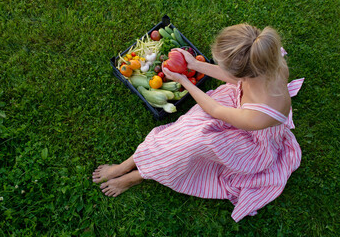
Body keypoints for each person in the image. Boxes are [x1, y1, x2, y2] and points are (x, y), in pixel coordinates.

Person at [92, 23, 304, 222]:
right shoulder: (265, 61)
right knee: (182, 129)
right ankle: (130, 163)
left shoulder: (262, 114)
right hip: (237, 107)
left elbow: (215, 110)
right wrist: (194, 64)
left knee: (190, 145)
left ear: (245, 72)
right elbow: (234, 79)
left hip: (249, 137)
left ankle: (139, 175)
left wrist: (184, 80)